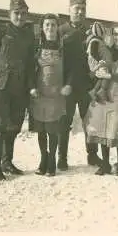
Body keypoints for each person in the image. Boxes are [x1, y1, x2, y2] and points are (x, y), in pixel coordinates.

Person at [0, 0, 36, 181]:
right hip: (1, 86)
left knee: (13, 125)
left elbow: (29, 63)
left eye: (23, 13)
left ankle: (7, 162)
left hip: (19, 86)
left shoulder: (28, 35)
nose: (20, 16)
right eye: (16, 13)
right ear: (9, 14)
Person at [83, 21, 118, 177]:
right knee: (103, 126)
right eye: (115, 34)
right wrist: (96, 73)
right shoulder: (106, 50)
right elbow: (94, 69)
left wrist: (110, 75)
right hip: (104, 94)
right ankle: (105, 163)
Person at [57, 0, 102, 171]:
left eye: (83, 8)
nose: (80, 12)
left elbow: (98, 56)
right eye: (77, 8)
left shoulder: (90, 32)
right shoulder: (61, 31)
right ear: (69, 10)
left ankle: (92, 155)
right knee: (64, 123)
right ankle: (62, 158)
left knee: (90, 122)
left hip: (86, 86)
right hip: (66, 86)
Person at [29, 14, 73, 177]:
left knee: (52, 131)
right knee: (41, 130)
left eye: (53, 25)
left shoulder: (64, 47)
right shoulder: (36, 47)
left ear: (57, 27)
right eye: (47, 25)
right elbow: (29, 70)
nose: (50, 28)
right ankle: (43, 160)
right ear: (42, 28)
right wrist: (32, 87)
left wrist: (68, 85)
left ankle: (52, 161)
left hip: (56, 96)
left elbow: (70, 70)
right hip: (39, 95)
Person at [86, 22, 113, 104]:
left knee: (101, 77)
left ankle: (95, 91)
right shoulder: (94, 41)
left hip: (98, 63)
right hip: (96, 63)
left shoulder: (98, 40)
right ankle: (102, 91)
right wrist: (99, 61)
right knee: (105, 75)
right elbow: (93, 52)